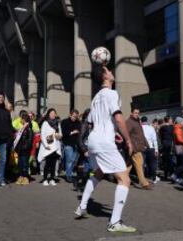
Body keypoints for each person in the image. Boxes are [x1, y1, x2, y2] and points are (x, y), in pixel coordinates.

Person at [75, 65, 136, 233]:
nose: (112, 72)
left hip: (93, 141)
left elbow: (91, 122)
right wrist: (128, 140)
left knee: (98, 173)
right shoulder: (112, 93)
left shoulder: (95, 98)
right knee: (125, 179)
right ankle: (115, 222)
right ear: (104, 76)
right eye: (108, 70)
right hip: (103, 142)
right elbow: (118, 118)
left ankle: (82, 206)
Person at [126, 107, 151, 189]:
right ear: (131, 113)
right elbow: (126, 134)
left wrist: (146, 143)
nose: (137, 114)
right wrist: (131, 145)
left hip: (138, 146)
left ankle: (122, 178)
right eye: (135, 113)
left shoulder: (137, 122)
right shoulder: (129, 122)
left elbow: (141, 135)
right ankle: (144, 183)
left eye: (138, 113)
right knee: (139, 164)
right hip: (134, 147)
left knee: (129, 165)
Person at [38, 108, 62, 186]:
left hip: (55, 146)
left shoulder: (58, 123)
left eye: (54, 113)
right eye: (51, 113)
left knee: (53, 164)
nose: (53, 115)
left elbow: (60, 134)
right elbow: (42, 135)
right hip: (48, 146)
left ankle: (52, 178)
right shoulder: (45, 123)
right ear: (48, 114)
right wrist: (46, 145)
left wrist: (59, 135)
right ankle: (45, 179)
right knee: (47, 164)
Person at [14, 112, 34, 185]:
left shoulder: (29, 129)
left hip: (25, 150)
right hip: (20, 150)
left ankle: (25, 177)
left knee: (25, 164)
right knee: (20, 164)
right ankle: (21, 176)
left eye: (21, 119)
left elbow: (29, 141)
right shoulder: (22, 128)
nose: (20, 120)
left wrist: (24, 147)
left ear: (24, 120)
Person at [61, 109, 81, 183]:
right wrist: (72, 132)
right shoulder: (65, 122)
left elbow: (80, 131)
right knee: (69, 160)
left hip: (76, 144)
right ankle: (68, 175)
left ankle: (69, 172)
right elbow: (63, 132)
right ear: (70, 115)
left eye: (76, 117)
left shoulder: (78, 122)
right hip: (68, 143)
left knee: (74, 160)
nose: (74, 118)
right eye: (73, 116)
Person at [141, 116, 159, 184]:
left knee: (142, 164)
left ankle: (142, 179)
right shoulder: (151, 128)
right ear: (147, 120)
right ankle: (154, 178)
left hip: (142, 148)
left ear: (141, 121)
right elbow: (155, 140)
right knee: (152, 164)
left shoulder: (139, 128)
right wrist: (156, 150)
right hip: (151, 148)